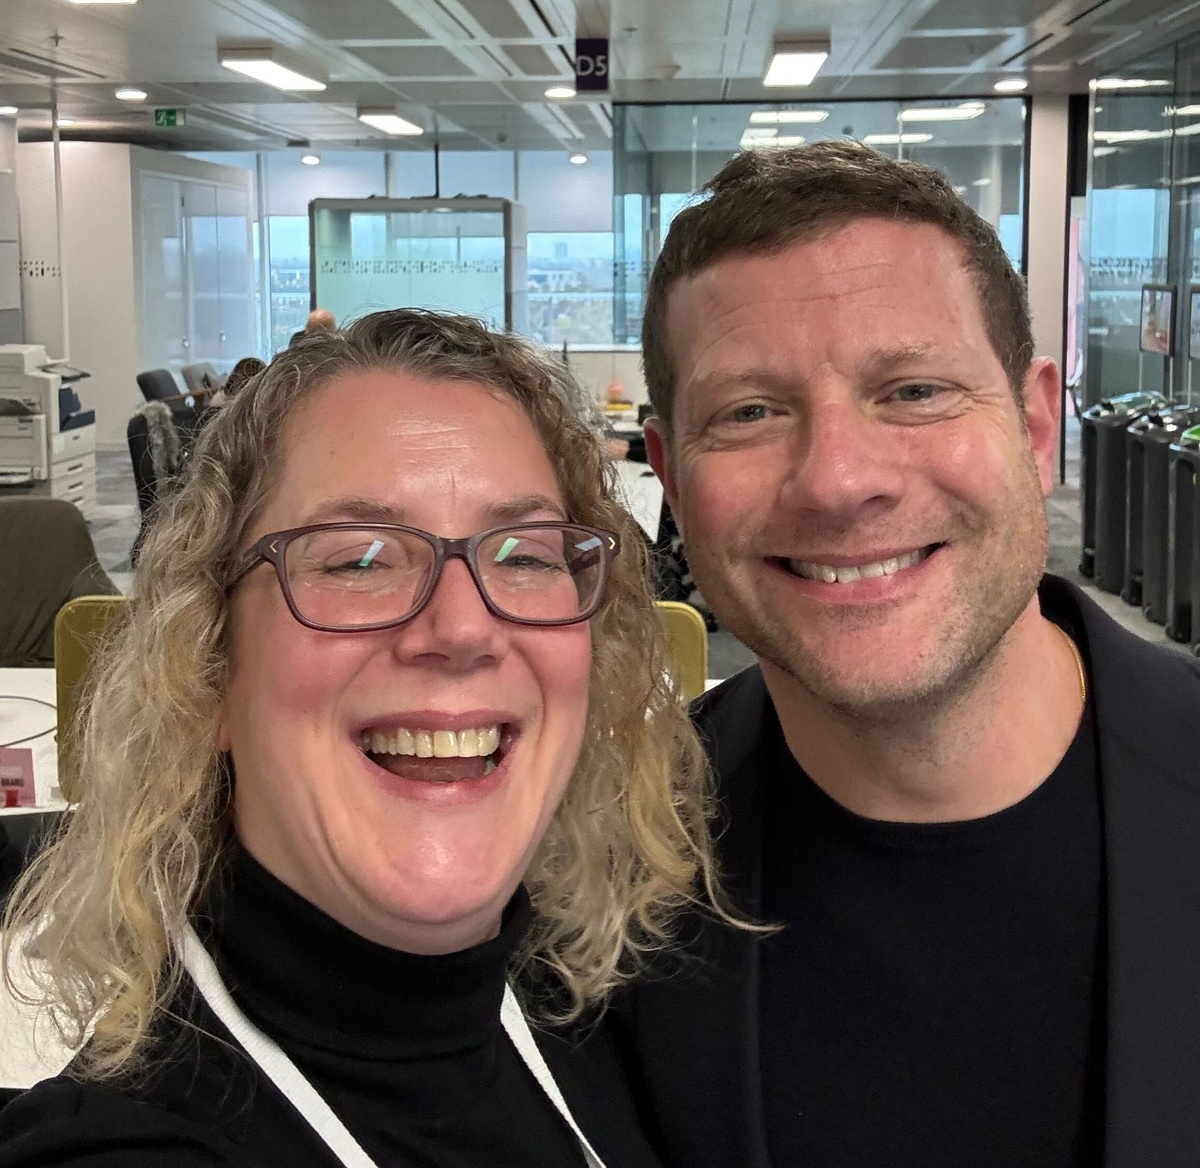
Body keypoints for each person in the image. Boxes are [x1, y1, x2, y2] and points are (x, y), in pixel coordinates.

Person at [0, 309, 721, 1167]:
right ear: (210, 669)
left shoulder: (625, 1021)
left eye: (524, 555)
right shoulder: (127, 1141)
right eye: (359, 558)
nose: (462, 627)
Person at [610, 140, 1200, 1168]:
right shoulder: (601, 860)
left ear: (1032, 420)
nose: (838, 480)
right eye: (749, 412)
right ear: (668, 469)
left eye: (914, 390)